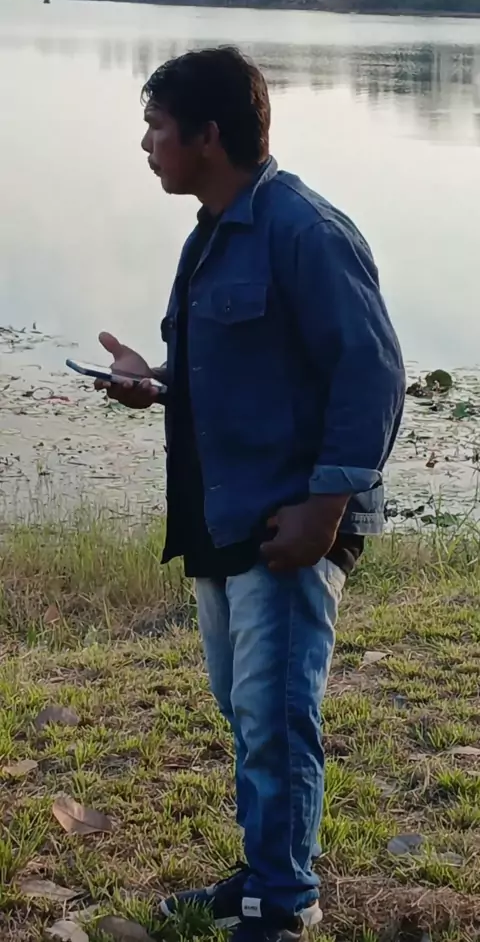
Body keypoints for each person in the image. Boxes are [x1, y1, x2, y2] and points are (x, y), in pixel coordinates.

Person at [96, 46, 405, 942]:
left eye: (157, 127)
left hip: (288, 522)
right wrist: (152, 382)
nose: (146, 144)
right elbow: (238, 376)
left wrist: (327, 506)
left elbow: (373, 375)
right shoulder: (212, 233)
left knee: (276, 718)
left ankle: (285, 901)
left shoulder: (306, 231)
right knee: (246, 710)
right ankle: (264, 873)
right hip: (225, 516)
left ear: (208, 134)